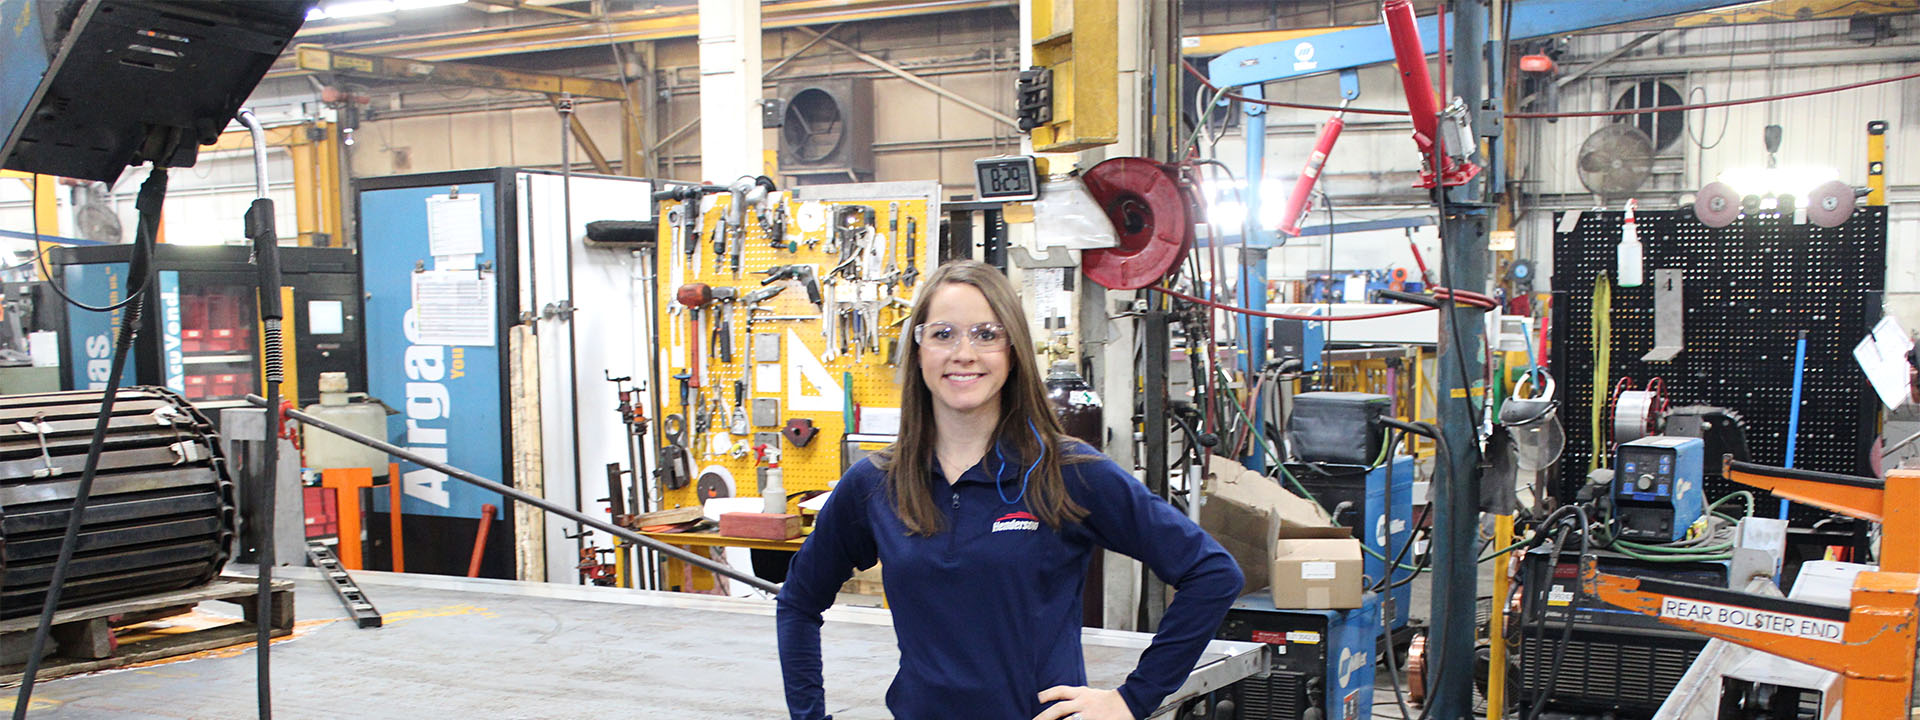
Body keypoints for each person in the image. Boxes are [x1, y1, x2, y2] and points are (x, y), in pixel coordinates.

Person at [776, 260, 1243, 720]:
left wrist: (1131, 699)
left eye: (986, 334)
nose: (964, 353)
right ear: (917, 350)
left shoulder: (1067, 472)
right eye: (942, 334)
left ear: (1013, 350)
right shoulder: (877, 483)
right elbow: (798, 601)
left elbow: (1212, 573)